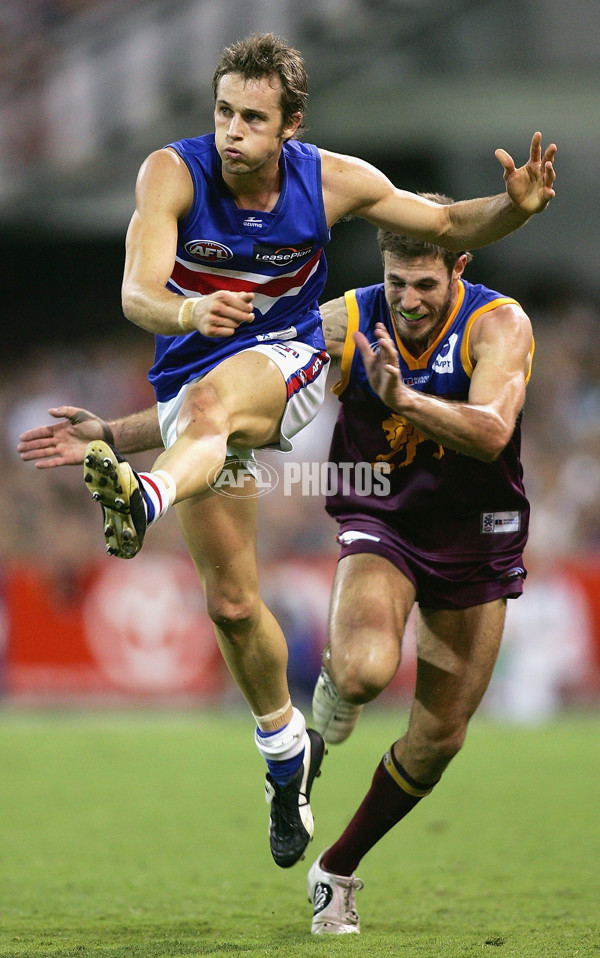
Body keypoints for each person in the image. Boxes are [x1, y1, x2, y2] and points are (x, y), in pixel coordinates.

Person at [18, 28, 556, 875]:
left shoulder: (331, 181)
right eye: (224, 112)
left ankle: (143, 501)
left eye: (253, 118)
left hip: (291, 359)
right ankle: (285, 752)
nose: (233, 130)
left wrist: (515, 211)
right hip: (195, 379)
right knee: (232, 605)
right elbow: (136, 291)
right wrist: (181, 328)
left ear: (290, 125)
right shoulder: (171, 171)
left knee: (211, 407)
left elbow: (451, 220)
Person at [303, 199, 537, 933]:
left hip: (477, 535)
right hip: (385, 517)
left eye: (424, 285)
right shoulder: (346, 320)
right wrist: (131, 432)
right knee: (367, 670)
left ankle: (334, 869)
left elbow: (493, 432)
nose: (407, 300)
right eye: (396, 281)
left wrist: (402, 396)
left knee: (438, 742)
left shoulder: (500, 324)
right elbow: (251, 373)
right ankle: (334, 688)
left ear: (458, 267)